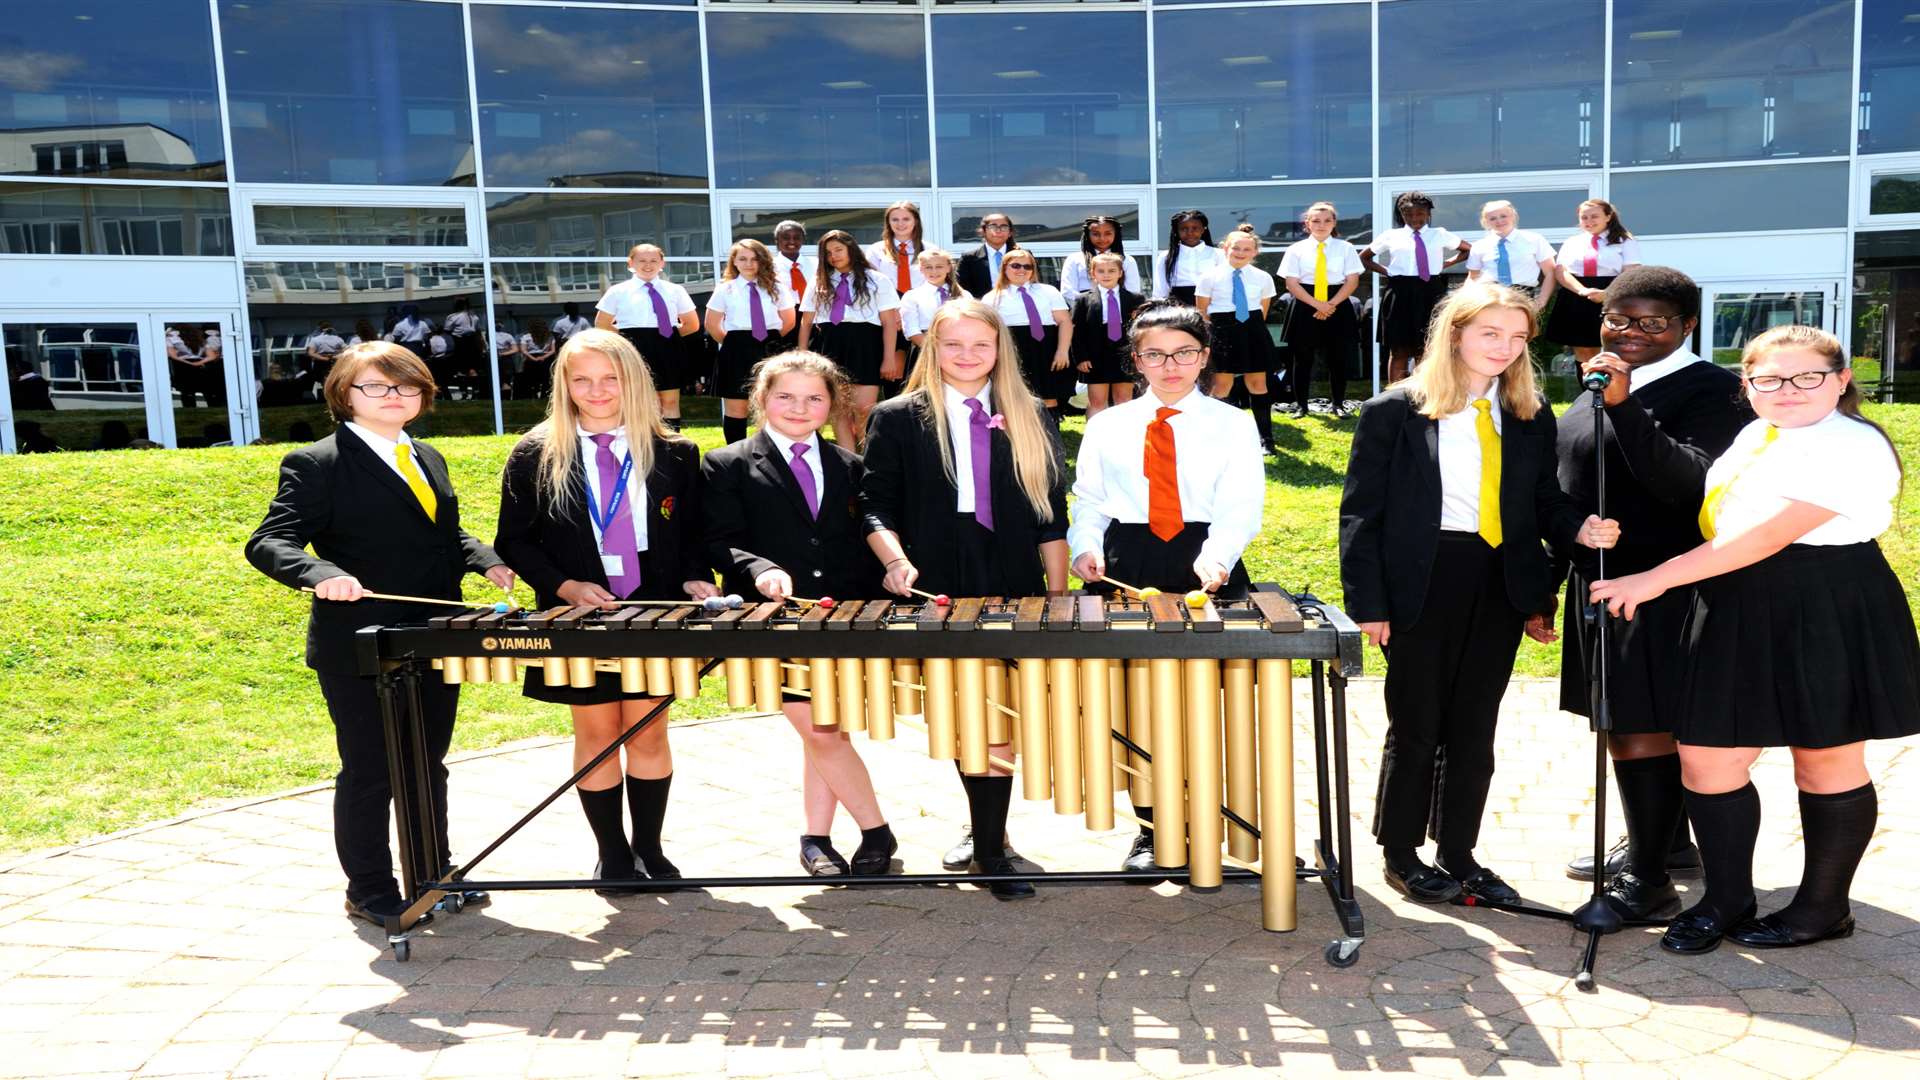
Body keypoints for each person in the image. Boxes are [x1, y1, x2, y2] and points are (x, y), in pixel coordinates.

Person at [1591, 325, 1918, 955]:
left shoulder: (1852, 444)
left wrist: (1654, 580)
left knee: (1824, 759)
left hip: (1823, 600)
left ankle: (1823, 908)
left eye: (1807, 377)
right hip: (1734, 599)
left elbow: (1766, 537)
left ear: (1842, 380)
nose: (1787, 390)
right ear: (1747, 384)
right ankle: (1726, 899)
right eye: (1768, 378)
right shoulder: (1755, 433)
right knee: (1707, 757)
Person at [1340, 282, 1619, 906]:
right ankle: (1402, 851)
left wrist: (1577, 528)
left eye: (1518, 337)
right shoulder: (1396, 410)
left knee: (1474, 726)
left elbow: (1542, 501)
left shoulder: (1526, 413)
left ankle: (1459, 851)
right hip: (1422, 579)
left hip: (1498, 581)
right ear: (1456, 333)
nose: (1506, 346)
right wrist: (1370, 604)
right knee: (1417, 723)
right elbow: (1361, 514)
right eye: (1492, 332)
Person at [244, 341, 513, 926]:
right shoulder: (318, 462)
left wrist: (483, 557)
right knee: (371, 770)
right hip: (360, 644)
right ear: (345, 394)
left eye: (407, 387)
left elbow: (442, 534)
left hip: (434, 636)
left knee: (426, 762)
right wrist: (323, 574)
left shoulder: (427, 455)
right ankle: (367, 888)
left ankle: (433, 872)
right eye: (377, 386)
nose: (394, 397)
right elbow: (269, 541)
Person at [1553, 266, 1749, 914]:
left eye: (1651, 322)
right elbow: (1569, 476)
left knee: (1643, 727)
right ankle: (1663, 845)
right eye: (1617, 318)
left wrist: (1624, 405)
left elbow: (1691, 482)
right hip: (1599, 579)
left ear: (1687, 325)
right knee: (1622, 721)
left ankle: (1647, 885)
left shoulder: (1714, 390)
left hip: (1666, 583)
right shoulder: (1596, 382)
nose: (1628, 331)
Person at [860, 299, 1070, 900]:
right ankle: (989, 844)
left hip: (1013, 576)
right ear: (933, 349)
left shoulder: (1028, 412)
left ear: (1000, 349)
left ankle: (987, 839)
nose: (968, 355)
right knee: (971, 719)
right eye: (954, 345)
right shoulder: (898, 417)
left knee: (1002, 714)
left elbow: (1051, 513)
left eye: (981, 344)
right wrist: (895, 560)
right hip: (936, 580)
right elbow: (875, 504)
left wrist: (1057, 594)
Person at [494, 328, 715, 894]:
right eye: (582, 379)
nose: (596, 390)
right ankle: (611, 853)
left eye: (610, 378)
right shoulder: (534, 453)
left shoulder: (675, 452)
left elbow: (696, 532)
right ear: (564, 384)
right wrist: (564, 585)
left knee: (647, 733)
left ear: (633, 381)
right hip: (579, 614)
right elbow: (514, 542)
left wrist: (695, 576)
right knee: (596, 732)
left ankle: (650, 848)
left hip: (655, 610)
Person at [1069, 301, 1266, 877]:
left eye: (1183, 353)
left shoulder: (1233, 423)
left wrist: (1216, 558)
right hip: (1128, 562)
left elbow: (1241, 505)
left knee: (1207, 701)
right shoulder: (1108, 424)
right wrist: (1086, 545)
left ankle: (1213, 816)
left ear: (1203, 358)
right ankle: (1151, 830)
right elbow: (1090, 499)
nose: (1170, 365)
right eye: (1155, 354)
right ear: (1137, 360)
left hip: (1208, 561)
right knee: (1138, 705)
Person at [701, 351, 897, 877]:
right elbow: (719, 541)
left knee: (826, 733)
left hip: (843, 618)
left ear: (832, 404)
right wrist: (760, 568)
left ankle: (815, 838)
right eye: (785, 396)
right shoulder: (727, 464)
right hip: (775, 620)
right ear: (761, 399)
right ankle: (877, 830)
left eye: (814, 397)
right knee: (820, 728)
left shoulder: (851, 466)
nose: (799, 407)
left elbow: (864, 537)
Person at [796, 229, 901, 449]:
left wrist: (888, 357)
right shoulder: (819, 281)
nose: (833, 256)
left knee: (864, 408)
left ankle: (867, 459)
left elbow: (890, 322)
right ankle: (849, 461)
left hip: (866, 344)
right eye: (828, 253)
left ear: (851, 249)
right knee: (839, 410)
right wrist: (803, 353)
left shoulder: (877, 279)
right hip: (829, 345)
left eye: (838, 250)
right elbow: (806, 322)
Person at [1362, 191, 1467, 383]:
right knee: (1399, 349)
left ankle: (1424, 395)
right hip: (1399, 292)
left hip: (1431, 291)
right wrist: (1388, 271)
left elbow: (1467, 250)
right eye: (1408, 215)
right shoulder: (1391, 236)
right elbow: (1364, 257)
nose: (1414, 218)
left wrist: (1445, 264)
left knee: (1426, 349)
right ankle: (1394, 398)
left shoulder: (1439, 234)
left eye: (1419, 214)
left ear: (1428, 214)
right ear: (1401, 215)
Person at [594, 243, 700, 430]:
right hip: (632, 349)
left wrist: (667, 336)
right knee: (637, 400)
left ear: (662, 263)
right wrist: (627, 340)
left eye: (653, 260)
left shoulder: (675, 290)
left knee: (669, 401)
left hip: (668, 347)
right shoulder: (618, 291)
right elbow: (602, 323)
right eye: (642, 260)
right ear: (631, 263)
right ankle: (638, 444)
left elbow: (692, 324)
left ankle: (671, 446)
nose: (648, 265)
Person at [1196, 225, 1280, 451]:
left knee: (1258, 383)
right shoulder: (1209, 277)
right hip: (1222, 330)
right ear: (1225, 249)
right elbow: (1202, 311)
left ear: (1255, 252)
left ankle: (1266, 439)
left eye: (1247, 249)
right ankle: (1219, 439)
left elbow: (1263, 309)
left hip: (1252, 331)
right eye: (1236, 248)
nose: (1241, 252)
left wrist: (1250, 330)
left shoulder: (1262, 277)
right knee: (1222, 385)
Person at [708, 238, 798, 445]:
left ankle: (772, 451)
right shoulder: (726, 289)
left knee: (771, 403)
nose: (749, 263)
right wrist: (735, 343)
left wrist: (769, 341)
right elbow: (713, 325)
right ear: (734, 262)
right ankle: (734, 454)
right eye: (743, 259)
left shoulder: (777, 287)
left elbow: (789, 321)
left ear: (763, 261)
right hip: (736, 348)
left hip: (770, 347)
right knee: (736, 406)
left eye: (754, 259)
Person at [1280, 202, 1363, 418]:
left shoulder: (1346, 248)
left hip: (1338, 304)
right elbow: (1291, 283)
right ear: (1307, 224)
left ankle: (1338, 403)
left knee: (1338, 358)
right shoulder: (1295, 250)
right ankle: (1301, 406)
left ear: (1334, 222)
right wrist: (1318, 305)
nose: (1321, 225)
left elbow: (1352, 281)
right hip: (1305, 304)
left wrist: (1331, 304)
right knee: (1302, 358)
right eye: (1315, 221)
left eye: (1327, 220)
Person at [1545, 199, 1641, 365]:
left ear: (1608, 216)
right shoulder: (1571, 242)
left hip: (1613, 295)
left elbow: (1631, 271)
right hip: (1576, 295)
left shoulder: (1625, 240)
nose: (1589, 221)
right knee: (1583, 349)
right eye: (1584, 217)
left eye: (1594, 216)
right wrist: (1582, 290)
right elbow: (1561, 271)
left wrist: (1608, 294)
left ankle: (1615, 388)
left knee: (1615, 346)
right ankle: (1589, 389)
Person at [985, 246, 1074, 421]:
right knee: (1015, 397)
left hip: (1046, 350)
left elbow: (1064, 321)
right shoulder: (993, 297)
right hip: (1013, 350)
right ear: (1004, 268)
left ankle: (1050, 441)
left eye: (1027, 266)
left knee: (1048, 395)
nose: (1022, 270)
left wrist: (1062, 351)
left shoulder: (1048, 291)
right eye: (1016, 266)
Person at [1067, 252, 1144, 418]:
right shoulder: (1083, 300)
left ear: (1120, 273)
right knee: (1097, 401)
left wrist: (1138, 355)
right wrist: (1080, 357)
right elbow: (1076, 331)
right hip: (1094, 355)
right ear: (1092, 274)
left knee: (1124, 400)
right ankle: (1095, 441)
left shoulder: (1135, 299)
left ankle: (1125, 439)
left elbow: (1141, 331)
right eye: (1101, 271)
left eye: (1111, 270)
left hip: (1125, 354)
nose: (1106, 275)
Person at [1465, 200, 1557, 311]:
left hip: (1522, 296)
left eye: (1503, 216)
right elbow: (1473, 277)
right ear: (1486, 221)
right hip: (1488, 297)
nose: (1499, 221)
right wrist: (1465, 301)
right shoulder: (1479, 245)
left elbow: (1550, 272)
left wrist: (1541, 302)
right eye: (1492, 218)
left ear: (1513, 216)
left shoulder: (1534, 240)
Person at [899, 248, 969, 376]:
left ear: (948, 268)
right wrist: (937, 351)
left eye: (939, 266)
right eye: (928, 267)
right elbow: (912, 331)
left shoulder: (964, 295)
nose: (934, 271)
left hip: (960, 350)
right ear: (920, 269)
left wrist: (955, 349)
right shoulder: (912, 296)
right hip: (925, 349)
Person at [1060, 215, 1143, 304]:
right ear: (1088, 234)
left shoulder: (1127, 260)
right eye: (1096, 234)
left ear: (1116, 234)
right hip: (1085, 312)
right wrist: (1088, 307)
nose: (1102, 238)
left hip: (1117, 311)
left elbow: (1133, 291)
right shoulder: (1074, 259)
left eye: (1108, 233)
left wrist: (1113, 308)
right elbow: (1067, 291)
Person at [1151, 209, 1224, 305]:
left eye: (1195, 228)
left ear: (1203, 229)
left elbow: (1224, 284)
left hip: (1212, 303)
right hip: (1178, 308)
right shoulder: (1166, 256)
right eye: (1183, 229)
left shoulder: (1218, 254)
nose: (1190, 232)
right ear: (1176, 231)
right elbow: (1160, 290)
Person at [866, 200, 927, 298]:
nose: (900, 224)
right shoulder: (875, 250)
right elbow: (870, 282)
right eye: (895, 219)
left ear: (915, 221)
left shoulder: (930, 250)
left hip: (921, 305)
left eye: (906, 219)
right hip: (886, 304)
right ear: (888, 222)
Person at [770, 220, 812, 350]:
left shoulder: (816, 264)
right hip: (784, 316)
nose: (792, 241)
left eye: (797, 238)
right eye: (786, 238)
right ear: (777, 240)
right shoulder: (768, 267)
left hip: (811, 315)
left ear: (803, 240)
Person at [956, 212, 1016, 298]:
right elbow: (962, 289)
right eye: (993, 226)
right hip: (983, 308)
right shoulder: (969, 258)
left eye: (1003, 227)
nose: (998, 230)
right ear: (983, 231)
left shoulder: (1024, 256)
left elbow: (1033, 283)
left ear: (1010, 232)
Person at [517, 318, 558, 402]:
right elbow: (552, 350)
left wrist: (535, 358)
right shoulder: (549, 337)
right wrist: (541, 357)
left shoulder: (526, 337)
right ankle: (541, 395)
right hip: (542, 358)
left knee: (537, 378)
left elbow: (524, 350)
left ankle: (537, 395)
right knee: (542, 378)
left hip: (534, 358)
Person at [303, 322, 347, 399]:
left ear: (320, 330)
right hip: (335, 360)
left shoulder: (315, 339)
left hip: (320, 362)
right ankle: (335, 396)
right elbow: (347, 351)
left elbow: (310, 353)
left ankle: (328, 397)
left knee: (324, 380)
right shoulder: (338, 339)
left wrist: (324, 358)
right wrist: (335, 356)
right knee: (335, 379)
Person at [491, 318, 520, 396]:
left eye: (499, 323)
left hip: (505, 358)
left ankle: (506, 395)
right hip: (491, 356)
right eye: (496, 323)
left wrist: (503, 354)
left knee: (506, 378)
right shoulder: (488, 334)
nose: (498, 325)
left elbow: (515, 349)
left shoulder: (507, 335)